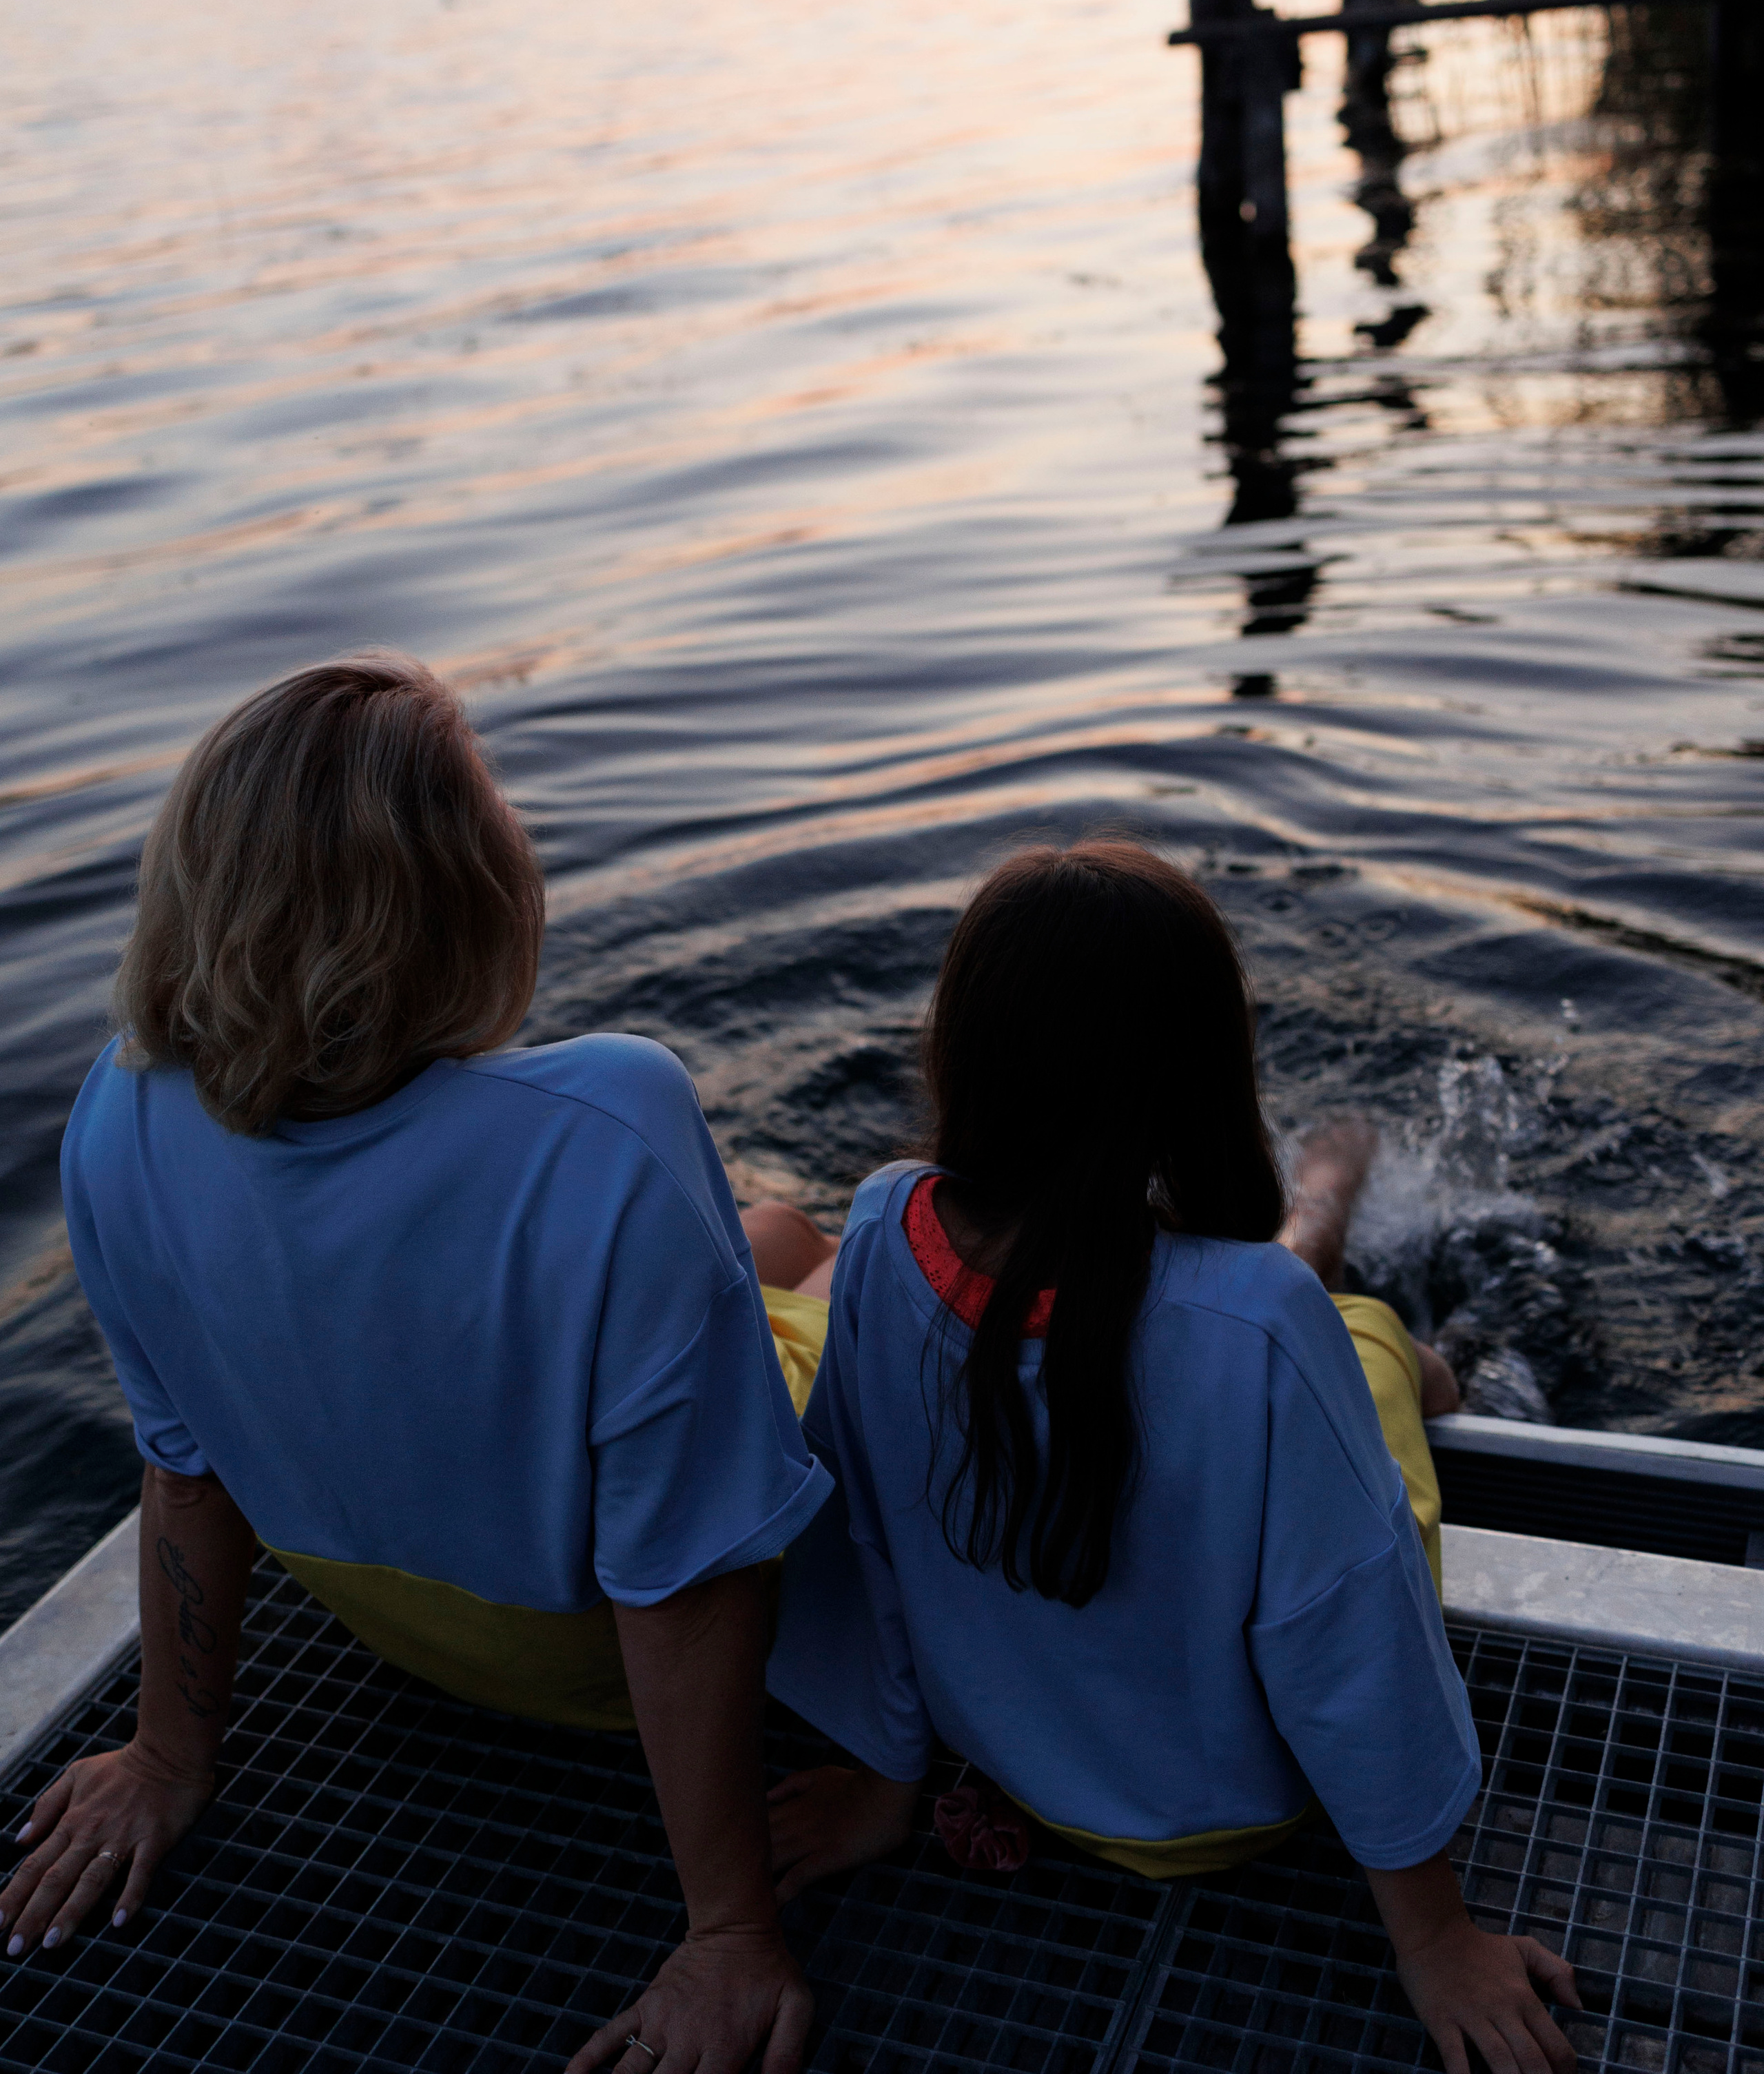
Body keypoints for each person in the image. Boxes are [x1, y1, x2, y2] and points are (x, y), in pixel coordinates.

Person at [0, 656, 830, 2074]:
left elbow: (183, 1470)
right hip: (600, 1667)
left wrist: (171, 1759)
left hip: (410, 1631)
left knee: (757, 1232)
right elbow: (690, 1581)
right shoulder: (609, 1119)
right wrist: (727, 1934)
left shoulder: (117, 1115)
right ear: (455, 897)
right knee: (849, 1242)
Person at [763, 842, 1581, 2074]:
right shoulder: (1256, 1323)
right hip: (1229, 1815)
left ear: (959, 1050)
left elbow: (863, 1537)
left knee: (1268, 1317)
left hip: (1011, 1760)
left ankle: (1332, 1227)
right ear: (1204, 1082)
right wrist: (1435, 1936)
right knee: (1364, 1345)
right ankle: (1377, 1274)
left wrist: (886, 1782)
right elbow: (1349, 1638)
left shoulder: (881, 1227)